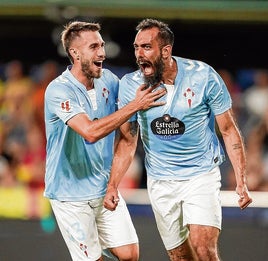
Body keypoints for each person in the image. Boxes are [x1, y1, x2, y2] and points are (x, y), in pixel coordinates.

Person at [104, 18, 252, 261]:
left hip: (201, 175)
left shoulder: (203, 76)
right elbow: (128, 140)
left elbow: (228, 129)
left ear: (166, 51)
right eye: (136, 47)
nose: (139, 54)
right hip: (161, 181)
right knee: (181, 257)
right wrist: (113, 185)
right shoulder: (131, 85)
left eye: (146, 47)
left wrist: (241, 180)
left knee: (203, 247)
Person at [44, 21, 166, 261]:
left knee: (130, 254)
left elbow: (127, 133)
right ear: (75, 53)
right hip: (70, 195)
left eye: (102, 45)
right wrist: (135, 105)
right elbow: (90, 132)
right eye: (94, 46)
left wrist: (113, 184)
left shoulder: (110, 81)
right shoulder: (59, 90)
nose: (102, 52)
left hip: (102, 188)